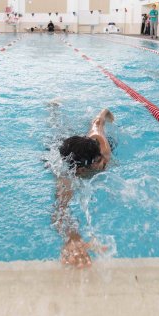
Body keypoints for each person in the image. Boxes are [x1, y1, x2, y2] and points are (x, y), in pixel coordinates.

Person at [53, 109, 114, 268]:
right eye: (97, 161)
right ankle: (54, 110)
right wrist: (73, 238)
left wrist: (107, 114)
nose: (103, 163)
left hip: (84, 148)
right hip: (73, 155)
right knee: (58, 131)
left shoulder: (101, 144)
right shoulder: (68, 176)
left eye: (100, 157)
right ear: (81, 171)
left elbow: (99, 119)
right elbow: (60, 209)